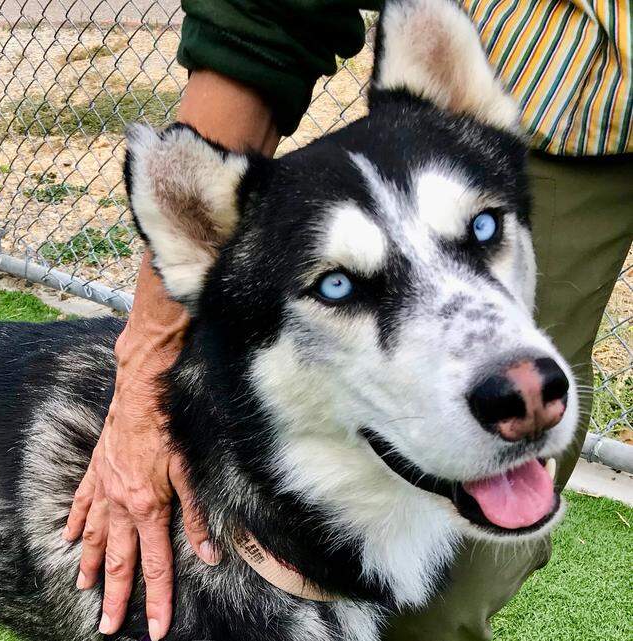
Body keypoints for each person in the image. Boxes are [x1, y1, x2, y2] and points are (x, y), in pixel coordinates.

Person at [61, 1, 633, 640]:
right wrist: (142, 370)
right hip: (570, 82)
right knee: (439, 613)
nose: (521, 381)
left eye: (482, 229)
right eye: (340, 286)